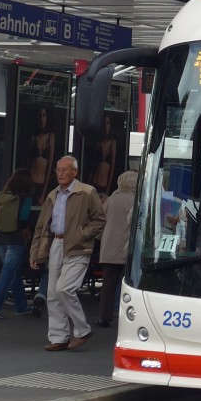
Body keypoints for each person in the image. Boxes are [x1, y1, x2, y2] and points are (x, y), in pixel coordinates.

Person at [29, 155, 105, 352]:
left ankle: (82, 329)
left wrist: (82, 235)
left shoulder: (87, 192)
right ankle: (59, 337)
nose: (60, 173)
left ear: (75, 172)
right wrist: (35, 252)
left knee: (64, 288)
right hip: (56, 243)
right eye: (58, 170)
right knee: (53, 292)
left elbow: (99, 220)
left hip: (77, 246)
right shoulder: (52, 195)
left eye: (65, 169)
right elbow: (41, 226)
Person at [0, 169, 34, 319]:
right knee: (8, 273)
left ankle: (22, 306)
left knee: (13, 273)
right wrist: (28, 232)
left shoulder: (1, 196)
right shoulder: (25, 198)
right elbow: (23, 220)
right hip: (16, 241)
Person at [97, 169, 136, 328]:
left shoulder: (111, 200)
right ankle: (129, 315)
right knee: (131, 283)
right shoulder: (136, 200)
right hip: (128, 247)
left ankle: (104, 316)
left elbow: (101, 220)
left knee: (108, 284)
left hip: (109, 246)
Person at [30, 105, 56, 202]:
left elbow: (50, 165)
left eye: (44, 115)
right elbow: (31, 163)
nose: (42, 118)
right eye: (40, 116)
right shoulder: (34, 138)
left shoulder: (51, 137)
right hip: (32, 181)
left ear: (47, 117)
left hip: (42, 182)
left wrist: (44, 192)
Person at [91, 115, 118, 194]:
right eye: (104, 124)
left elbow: (112, 168)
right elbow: (93, 165)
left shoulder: (113, 143)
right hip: (94, 182)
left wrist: (108, 189)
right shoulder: (98, 143)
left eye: (108, 123)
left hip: (104, 185)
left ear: (110, 125)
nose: (106, 126)